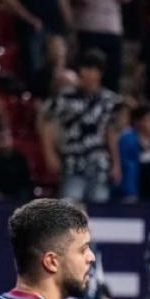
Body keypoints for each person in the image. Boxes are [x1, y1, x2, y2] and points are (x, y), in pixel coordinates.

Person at [44, 48, 120, 203]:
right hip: (72, 162)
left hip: (99, 163)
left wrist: (116, 163)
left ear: (101, 73)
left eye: (94, 69)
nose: (89, 73)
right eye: (86, 68)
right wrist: (50, 153)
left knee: (99, 206)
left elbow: (110, 132)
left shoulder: (109, 100)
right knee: (70, 209)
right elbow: (47, 124)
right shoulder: (65, 96)